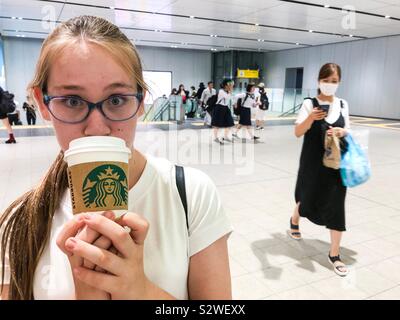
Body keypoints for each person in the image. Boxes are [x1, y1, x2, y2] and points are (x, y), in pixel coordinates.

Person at [0, 15, 233, 300]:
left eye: (116, 100)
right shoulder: (18, 224)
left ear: (140, 103)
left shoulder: (191, 194)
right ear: (43, 104)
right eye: (72, 101)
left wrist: (140, 290)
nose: (97, 127)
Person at [289, 63, 351, 277]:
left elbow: (348, 130)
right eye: (326, 81)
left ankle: (334, 254)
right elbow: (298, 132)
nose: (330, 85)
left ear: (339, 83)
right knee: (307, 198)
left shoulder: (343, 104)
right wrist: (310, 118)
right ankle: (295, 219)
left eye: (334, 82)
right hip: (313, 163)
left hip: (336, 165)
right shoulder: (309, 103)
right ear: (319, 81)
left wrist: (342, 131)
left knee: (336, 205)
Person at [211, 79, 235, 145]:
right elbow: (227, 97)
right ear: (225, 85)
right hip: (219, 108)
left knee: (229, 123)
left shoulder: (228, 91)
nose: (231, 86)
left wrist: (230, 92)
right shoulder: (221, 91)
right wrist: (230, 92)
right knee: (218, 124)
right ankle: (216, 137)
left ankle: (226, 136)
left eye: (231, 85)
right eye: (229, 85)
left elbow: (232, 98)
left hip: (225, 108)